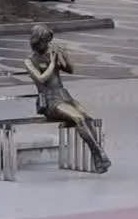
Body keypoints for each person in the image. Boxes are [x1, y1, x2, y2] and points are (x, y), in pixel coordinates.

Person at [24, 25, 111, 173]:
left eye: (49, 41)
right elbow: (41, 79)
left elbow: (70, 70)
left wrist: (65, 55)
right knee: (78, 118)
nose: (48, 45)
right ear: (37, 42)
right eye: (45, 41)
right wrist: (52, 63)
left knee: (86, 117)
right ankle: (99, 154)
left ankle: (98, 157)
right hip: (50, 101)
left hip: (64, 95)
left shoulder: (51, 53)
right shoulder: (29, 61)